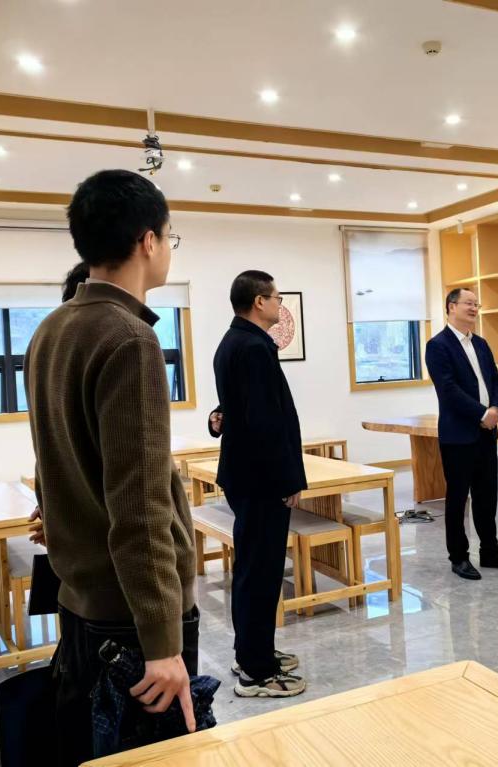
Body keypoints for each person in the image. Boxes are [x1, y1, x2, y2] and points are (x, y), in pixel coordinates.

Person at [24, 169, 199, 765]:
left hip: (81, 601)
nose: (169, 249)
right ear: (148, 241)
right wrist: (162, 641)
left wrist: (56, 514)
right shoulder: (129, 338)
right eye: (170, 237)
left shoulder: (51, 329)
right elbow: (140, 506)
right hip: (129, 617)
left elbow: (50, 455)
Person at [213, 270, 307, 698]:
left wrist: (216, 418)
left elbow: (236, 406)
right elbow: (265, 422)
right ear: (259, 302)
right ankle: (256, 672)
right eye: (277, 298)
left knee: (255, 569)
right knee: (261, 572)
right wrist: (288, 478)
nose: (280, 305)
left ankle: (254, 651)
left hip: (247, 474)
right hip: (261, 478)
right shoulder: (251, 347)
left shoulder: (236, 341)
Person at [425, 288, 498, 580]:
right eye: (468, 303)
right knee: (458, 498)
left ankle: (490, 551)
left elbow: (495, 380)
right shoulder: (438, 345)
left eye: (476, 304)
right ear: (451, 307)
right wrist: (482, 413)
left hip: (486, 432)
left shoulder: (480, 343)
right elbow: (448, 389)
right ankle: (459, 557)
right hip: (458, 434)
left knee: (487, 495)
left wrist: (496, 409)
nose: (473, 308)